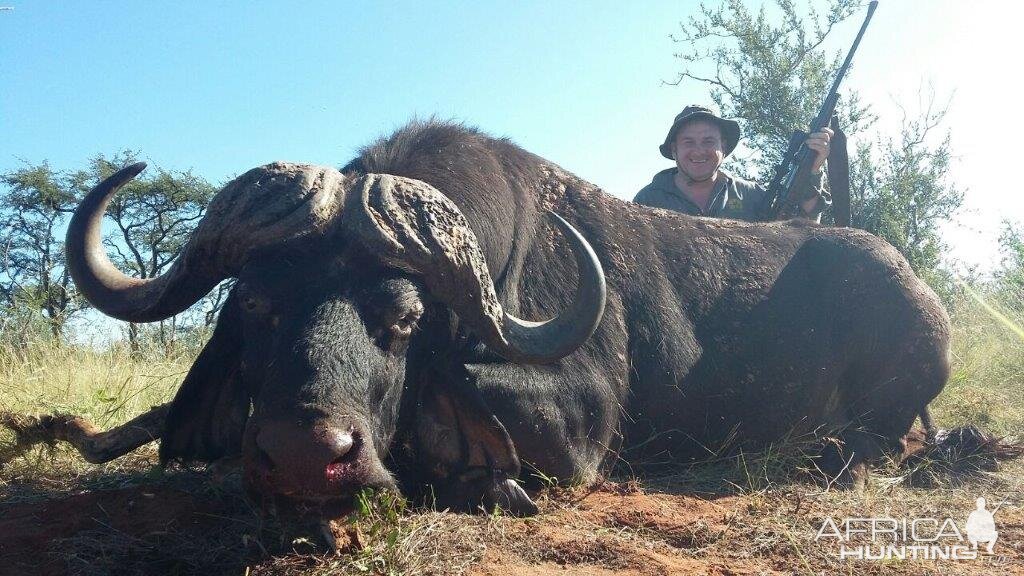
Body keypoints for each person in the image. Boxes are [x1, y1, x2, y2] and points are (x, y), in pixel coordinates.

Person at [634, 105, 833, 221]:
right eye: (688, 142)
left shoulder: (752, 195)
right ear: (674, 149)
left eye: (708, 141)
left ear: (724, 147)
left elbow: (802, 231)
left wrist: (813, 171)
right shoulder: (647, 201)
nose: (699, 150)